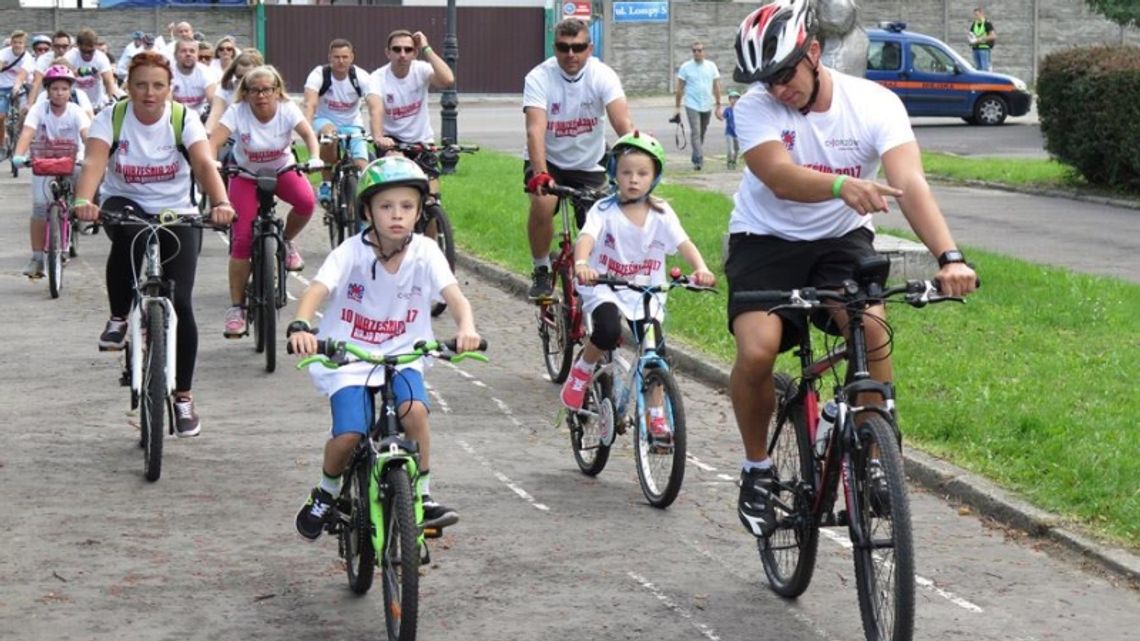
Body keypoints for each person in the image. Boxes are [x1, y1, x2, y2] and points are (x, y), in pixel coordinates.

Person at [728, 0, 977, 538]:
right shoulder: (754, 108)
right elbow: (780, 176)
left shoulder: (873, 103)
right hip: (764, 239)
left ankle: (875, 448)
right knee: (757, 349)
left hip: (840, 239)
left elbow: (910, 184)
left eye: (784, 74)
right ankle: (756, 469)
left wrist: (949, 256)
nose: (776, 89)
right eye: (764, 80)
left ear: (813, 53)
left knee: (870, 327)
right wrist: (843, 184)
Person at [287, 155, 481, 541]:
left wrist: (467, 327)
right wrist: (301, 325)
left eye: (407, 207)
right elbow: (317, 290)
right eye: (386, 206)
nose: (397, 215)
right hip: (350, 357)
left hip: (403, 353)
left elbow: (455, 296)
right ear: (367, 211)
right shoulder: (350, 252)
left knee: (415, 413)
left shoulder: (426, 251)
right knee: (350, 435)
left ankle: (422, 498)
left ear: (419, 211)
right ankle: (326, 492)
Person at [73, 51, 235, 438]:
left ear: (169, 89)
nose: (149, 93)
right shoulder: (111, 118)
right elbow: (94, 163)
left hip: (176, 210)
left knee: (180, 303)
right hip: (123, 202)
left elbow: (203, 164)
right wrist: (84, 201)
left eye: (158, 85)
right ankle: (118, 317)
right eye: (141, 85)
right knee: (128, 234)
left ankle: (183, 396)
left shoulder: (182, 119)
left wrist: (222, 203)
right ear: (128, 86)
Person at [560, 131, 715, 432]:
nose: (633, 179)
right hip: (604, 285)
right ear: (614, 173)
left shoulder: (662, 213)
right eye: (626, 172)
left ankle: (655, 415)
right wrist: (581, 263)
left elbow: (684, 244)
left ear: (654, 177)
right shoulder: (603, 210)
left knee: (654, 354)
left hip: (646, 290)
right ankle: (582, 370)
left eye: (642, 173)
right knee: (606, 330)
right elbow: (587, 239)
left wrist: (701, 269)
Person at [523, 18, 634, 301]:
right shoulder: (539, 76)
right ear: (554, 47)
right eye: (563, 47)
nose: (571, 54)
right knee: (543, 202)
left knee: (600, 226)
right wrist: (540, 173)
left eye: (578, 47)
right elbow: (535, 129)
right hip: (549, 162)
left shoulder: (603, 75)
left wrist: (638, 153)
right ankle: (540, 269)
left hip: (589, 162)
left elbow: (621, 122)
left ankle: (594, 290)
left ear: (590, 48)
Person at [208, 65, 322, 337]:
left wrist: (315, 155)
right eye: (255, 90)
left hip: (281, 169)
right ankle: (237, 308)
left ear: (277, 91)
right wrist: (212, 161)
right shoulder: (237, 112)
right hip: (245, 175)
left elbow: (308, 134)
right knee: (242, 239)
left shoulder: (287, 108)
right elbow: (213, 142)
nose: (261, 96)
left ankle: (285, 240)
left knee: (306, 202)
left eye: (267, 90)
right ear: (246, 94)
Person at [367, 29, 455, 243]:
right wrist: (379, 137)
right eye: (397, 49)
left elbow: (448, 80)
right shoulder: (377, 78)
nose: (402, 54)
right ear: (388, 53)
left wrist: (427, 48)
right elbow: (375, 109)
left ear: (414, 53)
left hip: (422, 142)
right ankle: (391, 239)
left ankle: (430, 252)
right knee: (399, 194)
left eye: (408, 49)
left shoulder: (422, 69)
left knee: (433, 201)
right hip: (392, 142)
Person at [10, 65, 90, 278]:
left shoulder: (76, 111)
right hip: (44, 162)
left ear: (70, 90)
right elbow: (28, 133)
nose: (59, 93)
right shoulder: (39, 109)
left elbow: (86, 135)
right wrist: (18, 156)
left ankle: (79, 212)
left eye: (64, 88)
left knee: (82, 178)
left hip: (72, 159)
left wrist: (92, 155)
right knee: (38, 207)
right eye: (55, 88)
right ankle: (37, 257)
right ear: (47, 90)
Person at [303, 38, 372, 208]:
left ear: (352, 57)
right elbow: (310, 103)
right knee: (330, 135)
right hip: (325, 119)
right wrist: (306, 128)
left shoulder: (360, 76)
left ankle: (363, 203)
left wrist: (377, 133)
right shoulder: (320, 74)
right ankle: (326, 183)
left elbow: (375, 105)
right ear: (329, 58)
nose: (341, 61)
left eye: (345, 57)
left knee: (362, 164)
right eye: (336, 57)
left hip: (352, 122)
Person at [674, 40, 723, 171]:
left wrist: (718, 104)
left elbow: (716, 86)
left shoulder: (711, 66)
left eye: (699, 50)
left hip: (707, 103)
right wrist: (677, 107)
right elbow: (679, 88)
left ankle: (696, 154)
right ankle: (698, 160)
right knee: (695, 132)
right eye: (694, 51)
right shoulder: (686, 67)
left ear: (704, 52)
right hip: (692, 104)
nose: (697, 53)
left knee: (702, 132)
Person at [203, 49, 263, 134]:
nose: (243, 82)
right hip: (230, 138)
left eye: (248, 77)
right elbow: (215, 114)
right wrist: (206, 133)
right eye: (240, 77)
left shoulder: (266, 92)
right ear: (234, 73)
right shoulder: (225, 88)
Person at [63, 28, 119, 112]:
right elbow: (63, 77)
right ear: (78, 46)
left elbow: (109, 82)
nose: (87, 55)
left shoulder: (101, 58)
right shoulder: (70, 56)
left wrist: (113, 102)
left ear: (95, 46)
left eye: (90, 51)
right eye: (83, 51)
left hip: (96, 104)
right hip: (75, 105)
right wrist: (79, 72)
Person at [0, 31, 34, 156]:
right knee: (1, 117)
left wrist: (16, 87)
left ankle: (18, 135)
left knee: (24, 113)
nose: (17, 45)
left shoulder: (28, 58)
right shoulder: (4, 53)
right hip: (2, 87)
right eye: (15, 42)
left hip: (19, 87)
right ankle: (2, 145)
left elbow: (21, 75)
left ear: (24, 44)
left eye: (20, 43)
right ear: (11, 42)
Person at [170, 38, 217, 116]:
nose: (188, 54)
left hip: (200, 113)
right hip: (176, 113)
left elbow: (214, 101)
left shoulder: (207, 72)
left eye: (192, 51)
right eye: (183, 51)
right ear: (175, 55)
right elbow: (166, 102)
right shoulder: (167, 73)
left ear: (197, 55)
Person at [26, 31, 72, 108]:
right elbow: (36, 82)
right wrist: (29, 104)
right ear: (52, 47)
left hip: (68, 95)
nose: (61, 49)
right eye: (57, 46)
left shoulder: (74, 57)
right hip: (46, 95)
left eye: (64, 46)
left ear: (69, 47)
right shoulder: (44, 59)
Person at [968, 7, 996, 71]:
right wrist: (970, 39)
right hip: (975, 48)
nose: (976, 17)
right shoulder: (974, 24)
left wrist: (980, 39)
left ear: (981, 14)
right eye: (975, 15)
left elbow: (993, 36)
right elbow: (971, 34)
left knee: (984, 68)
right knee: (977, 69)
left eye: (977, 15)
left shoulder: (987, 23)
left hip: (984, 49)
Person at [724, 89, 740, 169]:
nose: (734, 100)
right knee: (730, 149)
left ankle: (734, 161)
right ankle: (729, 161)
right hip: (729, 132)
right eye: (732, 98)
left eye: (736, 98)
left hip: (737, 133)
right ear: (729, 100)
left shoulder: (741, 110)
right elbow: (723, 117)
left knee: (737, 149)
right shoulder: (728, 110)